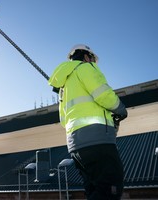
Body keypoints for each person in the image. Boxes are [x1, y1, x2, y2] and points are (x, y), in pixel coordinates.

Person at [49, 44, 128, 199]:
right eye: (92, 59)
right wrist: (120, 109)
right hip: (97, 141)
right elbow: (103, 94)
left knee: (94, 188)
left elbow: (63, 120)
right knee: (110, 187)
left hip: (76, 146)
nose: (93, 62)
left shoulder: (64, 87)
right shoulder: (85, 68)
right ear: (86, 56)